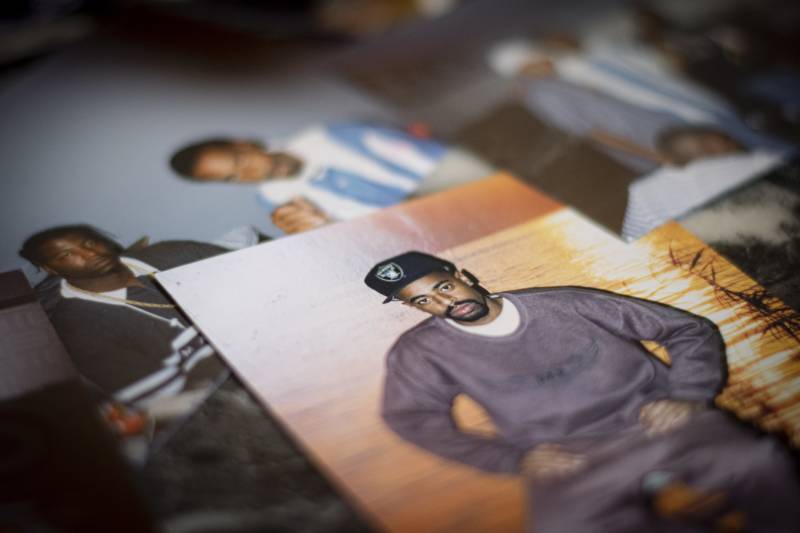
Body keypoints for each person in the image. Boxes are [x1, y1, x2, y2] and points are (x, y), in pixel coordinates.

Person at [363, 251, 800, 532]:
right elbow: (410, 418)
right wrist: (511, 459)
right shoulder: (421, 352)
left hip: (655, 421)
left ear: (461, 275)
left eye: (443, 286)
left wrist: (688, 394)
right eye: (422, 301)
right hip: (567, 457)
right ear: (412, 308)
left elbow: (687, 330)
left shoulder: (567, 303)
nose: (443, 302)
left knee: (759, 462)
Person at [19, 225, 227, 410]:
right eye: (66, 255)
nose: (90, 253)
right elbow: (161, 400)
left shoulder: (176, 252)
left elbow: (256, 274)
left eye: (90, 242)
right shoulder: (77, 330)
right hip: (223, 388)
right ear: (50, 269)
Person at [169, 122, 493, 235]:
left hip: (432, 174)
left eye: (239, 160)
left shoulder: (322, 136)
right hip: (401, 218)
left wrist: (429, 194)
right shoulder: (275, 198)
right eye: (232, 177)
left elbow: (413, 153)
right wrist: (321, 228)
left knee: (478, 177)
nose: (247, 173)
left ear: (241, 142)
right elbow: (350, 225)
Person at [621, 125, 784, 240]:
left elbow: (633, 240)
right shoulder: (757, 164)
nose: (736, 142)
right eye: (727, 139)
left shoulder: (642, 193)